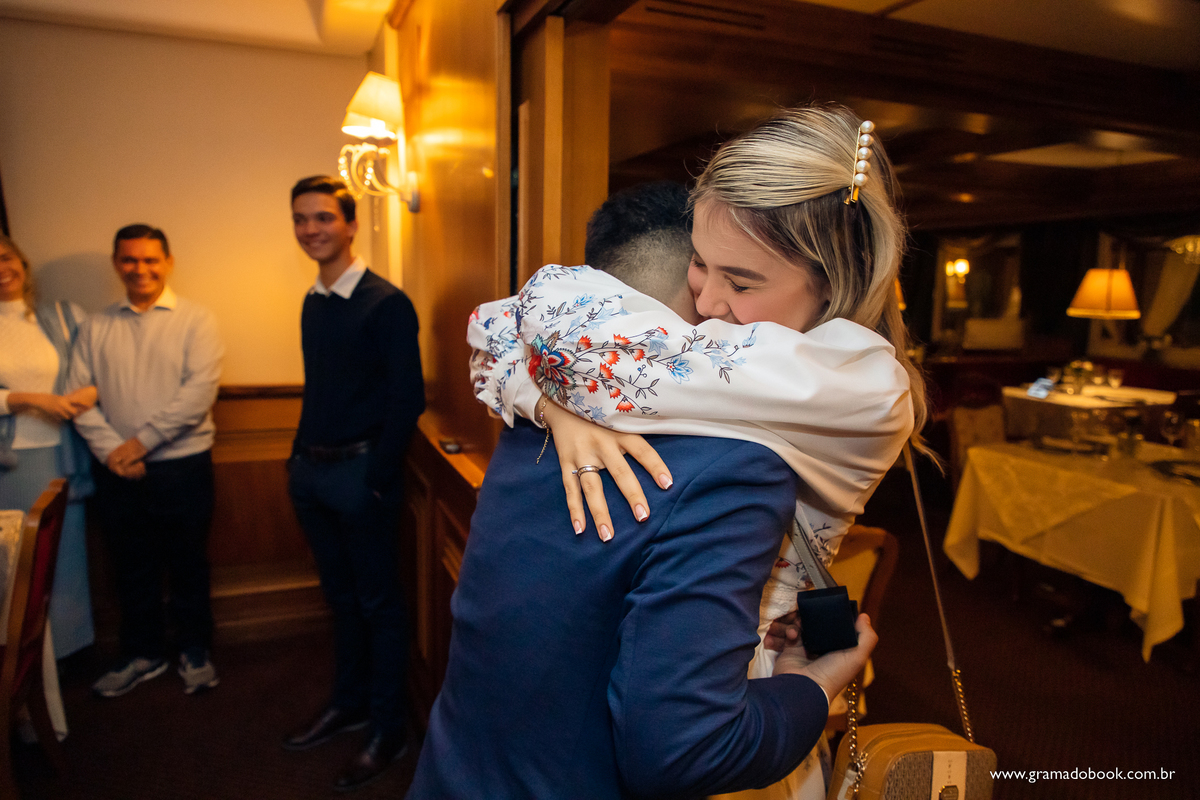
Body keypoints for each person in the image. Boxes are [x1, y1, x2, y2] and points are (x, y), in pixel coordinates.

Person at [465, 105, 923, 799]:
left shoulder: (860, 382)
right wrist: (551, 405)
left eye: (742, 282)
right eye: (700, 265)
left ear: (836, 279)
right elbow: (502, 332)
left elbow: (538, 332)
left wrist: (548, 386)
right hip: (703, 670)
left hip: (751, 706)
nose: (705, 302)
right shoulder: (741, 349)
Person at [282, 175, 425, 792]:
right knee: (340, 601)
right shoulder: (314, 299)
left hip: (360, 475)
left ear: (349, 224)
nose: (310, 229)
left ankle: (387, 728)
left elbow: (407, 398)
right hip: (311, 472)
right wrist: (296, 462)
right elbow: (322, 390)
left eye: (322, 218)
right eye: (301, 219)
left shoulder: (385, 302)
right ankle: (351, 704)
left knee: (378, 605)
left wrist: (374, 478)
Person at [70, 224, 224, 697]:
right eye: (130, 260)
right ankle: (143, 653)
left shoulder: (196, 320)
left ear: (168, 261)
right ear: (117, 264)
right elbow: (78, 397)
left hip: (183, 467)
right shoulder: (95, 326)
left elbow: (196, 395)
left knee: (187, 565)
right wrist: (113, 453)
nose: (140, 269)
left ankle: (195, 650)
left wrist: (138, 445)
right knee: (130, 567)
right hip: (116, 470)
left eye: (150, 259)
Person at [0, 234, 97, 659]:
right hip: (10, 464)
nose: (2, 269)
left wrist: (88, 393)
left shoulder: (62, 316)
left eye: (6, 258)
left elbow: (94, 371)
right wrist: (29, 398)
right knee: (17, 566)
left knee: (63, 561)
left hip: (61, 456)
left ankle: (69, 657)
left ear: (21, 261)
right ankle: (23, 665)